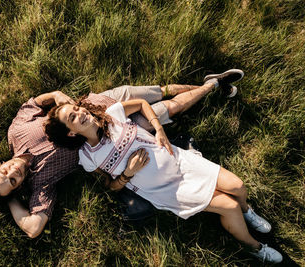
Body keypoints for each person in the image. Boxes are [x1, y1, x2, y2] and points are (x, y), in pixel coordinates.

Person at [44, 71, 283, 263]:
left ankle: (246, 212)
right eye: (72, 118)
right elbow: (110, 186)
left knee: (238, 187)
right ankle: (254, 246)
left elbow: (139, 104)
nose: (80, 113)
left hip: (180, 161)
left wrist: (158, 129)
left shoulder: (112, 114)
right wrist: (128, 173)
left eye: (76, 109)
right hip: (168, 191)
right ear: (71, 132)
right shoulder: (88, 157)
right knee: (228, 205)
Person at [0, 70, 242, 238]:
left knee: (161, 90)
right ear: (19, 186)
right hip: (116, 138)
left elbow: (36, 103)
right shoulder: (41, 183)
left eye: (3, 172)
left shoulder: (16, 132)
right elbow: (33, 227)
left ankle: (209, 83)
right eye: (13, 181)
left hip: (105, 103)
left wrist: (60, 98)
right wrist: (10, 200)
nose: (12, 172)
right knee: (170, 108)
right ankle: (211, 86)